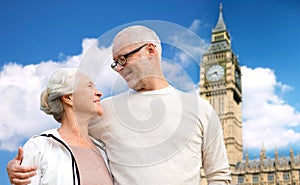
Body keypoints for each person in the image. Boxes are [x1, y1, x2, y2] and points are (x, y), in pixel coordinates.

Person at [7, 25, 231, 184]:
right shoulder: (105, 110)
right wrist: (21, 166)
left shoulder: (201, 110)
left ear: (150, 51)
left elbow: (219, 176)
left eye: (123, 59)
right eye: (115, 64)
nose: (119, 69)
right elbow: (64, 136)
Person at [7, 68, 113, 185]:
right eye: (89, 86)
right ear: (68, 98)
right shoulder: (40, 147)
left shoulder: (103, 150)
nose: (99, 93)